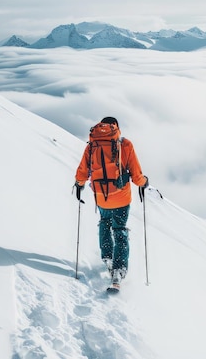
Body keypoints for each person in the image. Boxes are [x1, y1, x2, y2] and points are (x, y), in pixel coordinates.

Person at [74, 116, 148, 286]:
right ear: (117, 127)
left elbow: (82, 172)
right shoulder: (125, 144)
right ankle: (119, 268)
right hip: (121, 197)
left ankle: (107, 257)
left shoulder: (92, 145)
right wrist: (144, 182)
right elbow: (137, 176)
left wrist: (79, 185)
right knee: (119, 228)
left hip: (101, 196)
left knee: (105, 222)